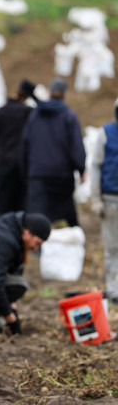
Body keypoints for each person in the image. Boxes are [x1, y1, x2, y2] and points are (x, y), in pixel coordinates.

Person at [20, 77, 86, 227]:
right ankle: (76, 241)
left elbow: (24, 145)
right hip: (62, 175)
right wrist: (81, 168)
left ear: (50, 92)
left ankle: (36, 250)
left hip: (38, 174)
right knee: (68, 213)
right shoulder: (69, 116)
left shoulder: (35, 115)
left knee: (36, 217)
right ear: (64, 94)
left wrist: (25, 172)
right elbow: (76, 145)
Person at [0, 79, 35, 220]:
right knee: (19, 203)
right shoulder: (29, 112)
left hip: (2, 163)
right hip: (21, 165)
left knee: (0, 203)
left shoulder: (0, 111)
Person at [90, 98, 118, 304]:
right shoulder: (106, 133)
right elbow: (95, 166)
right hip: (111, 200)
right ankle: (114, 290)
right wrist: (96, 198)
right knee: (112, 248)